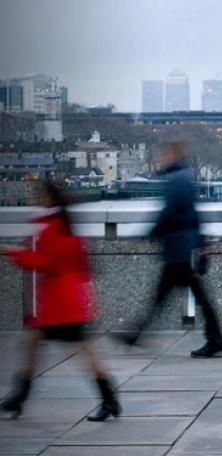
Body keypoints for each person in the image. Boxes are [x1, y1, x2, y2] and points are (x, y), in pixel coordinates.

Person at [0, 181, 121, 422]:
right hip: (68, 299)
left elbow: (46, 263)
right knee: (40, 344)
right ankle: (20, 396)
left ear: (50, 199)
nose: (36, 199)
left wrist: (11, 251)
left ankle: (108, 398)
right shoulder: (65, 225)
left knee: (80, 351)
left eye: (39, 195)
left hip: (60, 302)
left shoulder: (51, 228)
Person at [117, 140, 222, 358]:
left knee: (171, 296)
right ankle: (137, 334)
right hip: (185, 247)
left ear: (172, 154)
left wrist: (143, 236)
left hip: (179, 249)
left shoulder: (177, 180)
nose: (160, 157)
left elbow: (167, 214)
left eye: (163, 153)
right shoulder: (184, 178)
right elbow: (194, 215)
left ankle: (137, 334)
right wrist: (202, 243)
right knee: (174, 295)